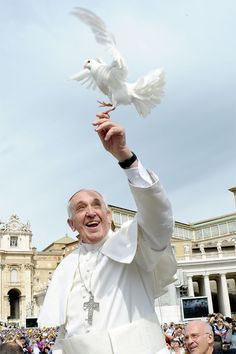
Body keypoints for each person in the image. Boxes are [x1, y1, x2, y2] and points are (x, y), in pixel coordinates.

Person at [38, 113, 177, 354]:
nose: (90, 212)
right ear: (72, 225)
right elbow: (65, 336)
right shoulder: (66, 267)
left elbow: (159, 217)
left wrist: (125, 157)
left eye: (96, 205)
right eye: (81, 208)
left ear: (109, 215)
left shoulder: (135, 244)